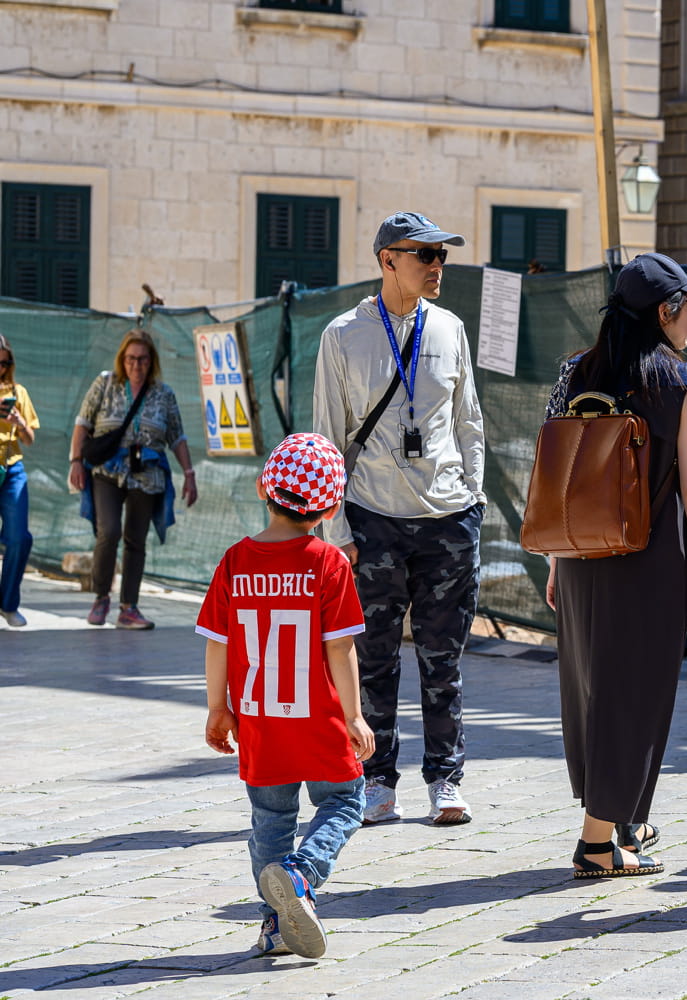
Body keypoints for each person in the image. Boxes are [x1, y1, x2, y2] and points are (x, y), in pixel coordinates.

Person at [544, 251, 687, 878]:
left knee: (591, 688)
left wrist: (552, 560)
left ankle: (619, 824)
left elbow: (559, 472)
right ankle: (598, 843)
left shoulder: (573, 372)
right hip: (648, 558)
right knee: (636, 694)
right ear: (666, 311)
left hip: (578, 555)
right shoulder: (680, 381)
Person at [311, 212, 486, 827]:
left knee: (445, 660)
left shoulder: (451, 329)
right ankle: (376, 780)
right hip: (372, 519)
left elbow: (469, 422)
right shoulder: (343, 335)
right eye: (424, 255)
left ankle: (446, 778)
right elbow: (328, 435)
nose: (437, 267)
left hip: (447, 519)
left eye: (442, 256)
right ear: (388, 260)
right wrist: (336, 534)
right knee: (373, 660)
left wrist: (475, 499)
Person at [198, 432, 375, 959]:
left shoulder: (235, 561)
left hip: (259, 722)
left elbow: (218, 644)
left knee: (270, 823)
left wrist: (218, 707)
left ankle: (274, 925)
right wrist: (355, 716)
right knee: (345, 801)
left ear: (262, 488)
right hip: (317, 720)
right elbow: (340, 649)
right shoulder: (329, 563)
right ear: (330, 507)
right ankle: (302, 875)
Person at [69, 329, 199, 630]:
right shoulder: (105, 383)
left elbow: (176, 436)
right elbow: (82, 423)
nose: (136, 365)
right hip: (108, 470)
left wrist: (189, 475)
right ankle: (101, 596)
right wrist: (76, 461)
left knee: (136, 540)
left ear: (151, 361)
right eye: (130, 359)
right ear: (121, 359)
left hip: (147, 473)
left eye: (142, 359)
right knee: (109, 531)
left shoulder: (163, 393)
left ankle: (129, 607)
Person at [0, 334, 37, 628]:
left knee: (19, 537)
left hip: (12, 467)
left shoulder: (18, 392)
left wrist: (19, 422)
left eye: (4, 363)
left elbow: (30, 438)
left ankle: (8, 603)